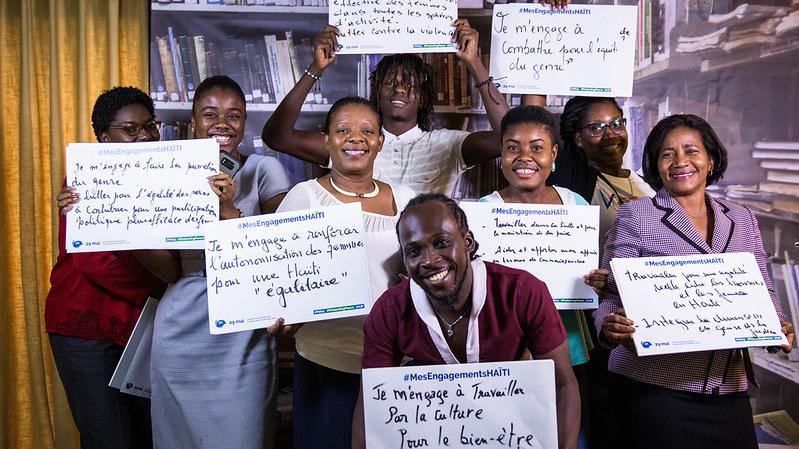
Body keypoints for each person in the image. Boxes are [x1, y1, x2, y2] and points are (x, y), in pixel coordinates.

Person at [595, 114, 795, 449]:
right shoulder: (636, 215)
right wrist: (607, 326)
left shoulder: (742, 217)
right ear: (657, 165)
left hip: (729, 391)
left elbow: (762, 289)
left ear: (711, 159)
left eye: (691, 151)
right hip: (655, 393)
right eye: (667, 154)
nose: (680, 162)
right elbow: (612, 296)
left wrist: (778, 327)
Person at [136, 75, 292, 449]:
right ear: (193, 120)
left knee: (245, 437)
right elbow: (169, 270)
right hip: (180, 325)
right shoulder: (169, 171)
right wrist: (119, 224)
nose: (222, 123)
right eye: (210, 114)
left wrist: (227, 210)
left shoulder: (264, 170)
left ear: (244, 123)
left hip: (244, 326)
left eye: (234, 115)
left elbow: (276, 254)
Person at [354, 193, 580, 449]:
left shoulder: (522, 291)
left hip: (515, 433)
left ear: (468, 242)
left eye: (441, 242)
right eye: (414, 251)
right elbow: (372, 403)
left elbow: (563, 384)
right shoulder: (389, 310)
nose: (429, 260)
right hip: (433, 434)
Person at [267, 96, 415, 449]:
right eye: (343, 130)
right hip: (325, 359)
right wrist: (280, 316)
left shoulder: (408, 199)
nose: (356, 138)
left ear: (380, 141)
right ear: (327, 140)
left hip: (397, 363)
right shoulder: (304, 197)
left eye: (367, 130)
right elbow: (277, 278)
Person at [478, 105, 607, 448]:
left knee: (568, 432)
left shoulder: (575, 204)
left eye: (536, 147)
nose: (525, 157)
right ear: (501, 154)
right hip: (507, 351)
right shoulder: (482, 211)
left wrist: (596, 281)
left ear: (553, 154)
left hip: (570, 345)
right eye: (512, 147)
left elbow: (589, 269)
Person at [262, 20, 510, 196]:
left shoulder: (449, 144)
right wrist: (316, 68)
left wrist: (474, 62)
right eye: (390, 82)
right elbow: (277, 137)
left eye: (410, 84)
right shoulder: (355, 143)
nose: (400, 89)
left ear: (423, 98)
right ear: (376, 93)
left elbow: (510, 139)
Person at [46, 86, 164, 449]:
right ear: (103, 136)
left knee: (146, 435)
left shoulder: (170, 180)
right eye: (130, 129)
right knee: (108, 437)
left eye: (149, 126)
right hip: (86, 329)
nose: (143, 135)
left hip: (142, 328)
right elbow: (94, 263)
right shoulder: (83, 182)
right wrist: (167, 284)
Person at [549, 96, 655, 243]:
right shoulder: (574, 179)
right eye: (596, 128)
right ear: (579, 139)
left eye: (617, 124)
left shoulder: (649, 183)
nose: (610, 134)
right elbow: (526, 127)